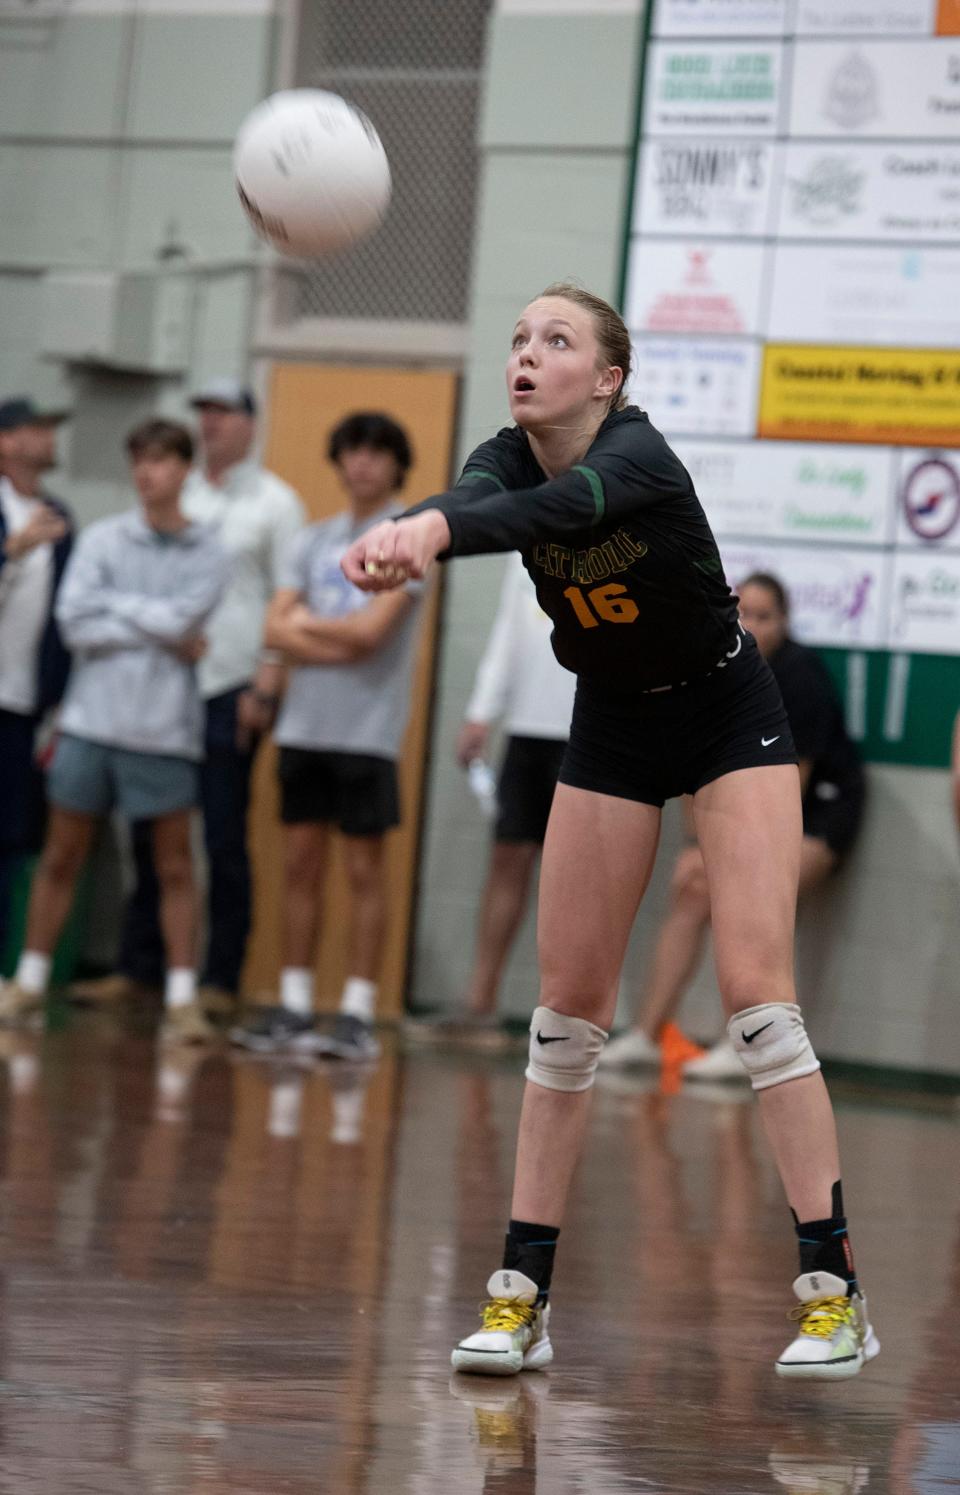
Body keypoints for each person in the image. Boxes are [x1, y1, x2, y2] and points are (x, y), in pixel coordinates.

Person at [341, 283, 879, 1381]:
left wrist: (431, 529)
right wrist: (421, 529)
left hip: (729, 713)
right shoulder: (504, 454)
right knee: (564, 1022)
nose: (528, 356)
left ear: (610, 377)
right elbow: (482, 499)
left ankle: (835, 1293)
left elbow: (550, 513)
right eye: (519, 340)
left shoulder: (637, 460)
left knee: (760, 1004)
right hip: (616, 727)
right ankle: (521, 1298)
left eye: (559, 340)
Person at [74, 380, 305, 1016]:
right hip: (164, 690)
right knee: (152, 833)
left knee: (224, 834)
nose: (211, 424)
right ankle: (142, 966)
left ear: (251, 424)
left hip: (233, 686)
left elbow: (288, 596)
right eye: (203, 413)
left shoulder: (275, 503)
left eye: (225, 413)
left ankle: (219, 981)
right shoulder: (181, 491)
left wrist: (269, 678)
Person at [0, 419, 228, 1043]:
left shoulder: (210, 549)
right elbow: (75, 623)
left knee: (175, 867)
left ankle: (182, 998)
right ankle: (29, 980)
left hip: (163, 731)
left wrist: (120, 611)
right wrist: (161, 629)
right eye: (138, 461)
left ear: (184, 468)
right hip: (88, 722)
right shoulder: (101, 538)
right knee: (60, 856)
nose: (146, 473)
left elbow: (190, 618)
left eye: (159, 460)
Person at [602, 572, 867, 1080]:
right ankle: (646, 1035)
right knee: (691, 887)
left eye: (764, 617)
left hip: (818, 812)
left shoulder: (801, 674)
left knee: (751, 895)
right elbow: (688, 768)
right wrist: (695, 845)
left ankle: (752, 1041)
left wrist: (729, 855)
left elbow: (791, 785)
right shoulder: (708, 672)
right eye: (742, 613)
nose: (749, 626)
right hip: (743, 813)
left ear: (785, 623)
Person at [231, 412, 427, 1063]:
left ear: (397, 464)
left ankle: (358, 1010)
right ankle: (292, 1001)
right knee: (299, 865)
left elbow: (371, 636)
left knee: (366, 871)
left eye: (376, 453)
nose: (362, 464)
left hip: (367, 734)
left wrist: (304, 630)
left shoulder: (407, 543)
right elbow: (273, 628)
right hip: (303, 727)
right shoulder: (313, 540)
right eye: (352, 452)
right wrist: (323, 634)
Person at [413, 552, 576, 1045]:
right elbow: (510, 628)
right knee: (508, 859)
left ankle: (567, 1015)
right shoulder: (529, 538)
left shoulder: (627, 535)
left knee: (576, 879)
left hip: (594, 730)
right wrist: (483, 710)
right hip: (528, 728)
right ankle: (479, 1004)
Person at [0, 397, 74, 967]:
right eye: (38, 427)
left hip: (23, 704)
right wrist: (13, 551)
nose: (49, 438)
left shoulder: (57, 516)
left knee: (9, 840)